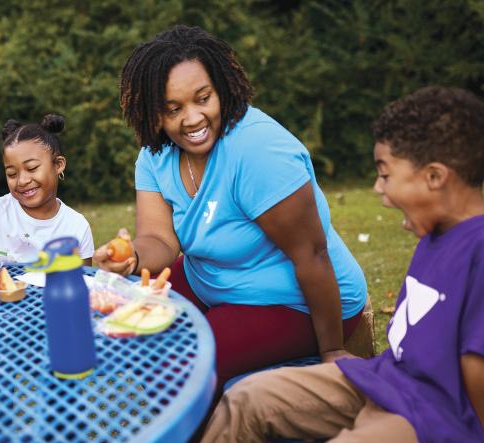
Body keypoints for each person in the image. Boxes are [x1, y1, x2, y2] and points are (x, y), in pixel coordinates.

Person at [204, 86, 484, 442]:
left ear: (434, 177)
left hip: (435, 414)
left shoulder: (479, 250)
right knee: (245, 399)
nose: (377, 188)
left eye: (385, 174)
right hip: (384, 380)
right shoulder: (436, 236)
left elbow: (477, 379)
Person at [94, 25, 367, 390]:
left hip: (292, 300)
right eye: (173, 109)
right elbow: (158, 239)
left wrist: (331, 349)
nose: (191, 119)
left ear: (221, 88)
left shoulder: (258, 149)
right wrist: (131, 259)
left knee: (182, 369)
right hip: (210, 280)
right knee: (118, 324)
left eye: (203, 98)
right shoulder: (154, 156)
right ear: (154, 114)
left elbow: (312, 255)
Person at [0, 114, 94, 264]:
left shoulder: (77, 227)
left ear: (58, 165)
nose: (22, 181)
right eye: (12, 174)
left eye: (32, 168)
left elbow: (82, 282)